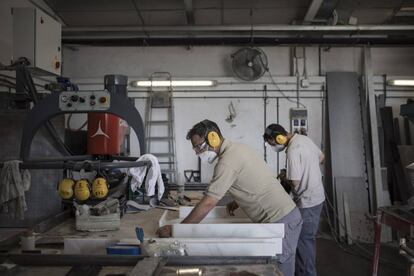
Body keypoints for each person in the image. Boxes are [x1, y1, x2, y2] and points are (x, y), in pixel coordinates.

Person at [157, 119, 302, 276]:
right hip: (285, 217)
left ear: (214, 138)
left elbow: (208, 203)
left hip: (281, 221)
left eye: (198, 147)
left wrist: (177, 230)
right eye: (195, 148)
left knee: (279, 271)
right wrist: (238, 200)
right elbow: (255, 180)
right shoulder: (238, 148)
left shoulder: (227, 162)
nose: (197, 152)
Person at [263, 124, 325, 276]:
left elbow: (295, 182)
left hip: (307, 201)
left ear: (279, 138)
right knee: (307, 241)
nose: (275, 146)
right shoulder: (304, 139)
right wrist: (307, 169)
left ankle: (307, 273)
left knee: (303, 243)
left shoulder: (292, 150)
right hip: (318, 197)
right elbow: (321, 158)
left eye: (273, 143)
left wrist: (285, 176)